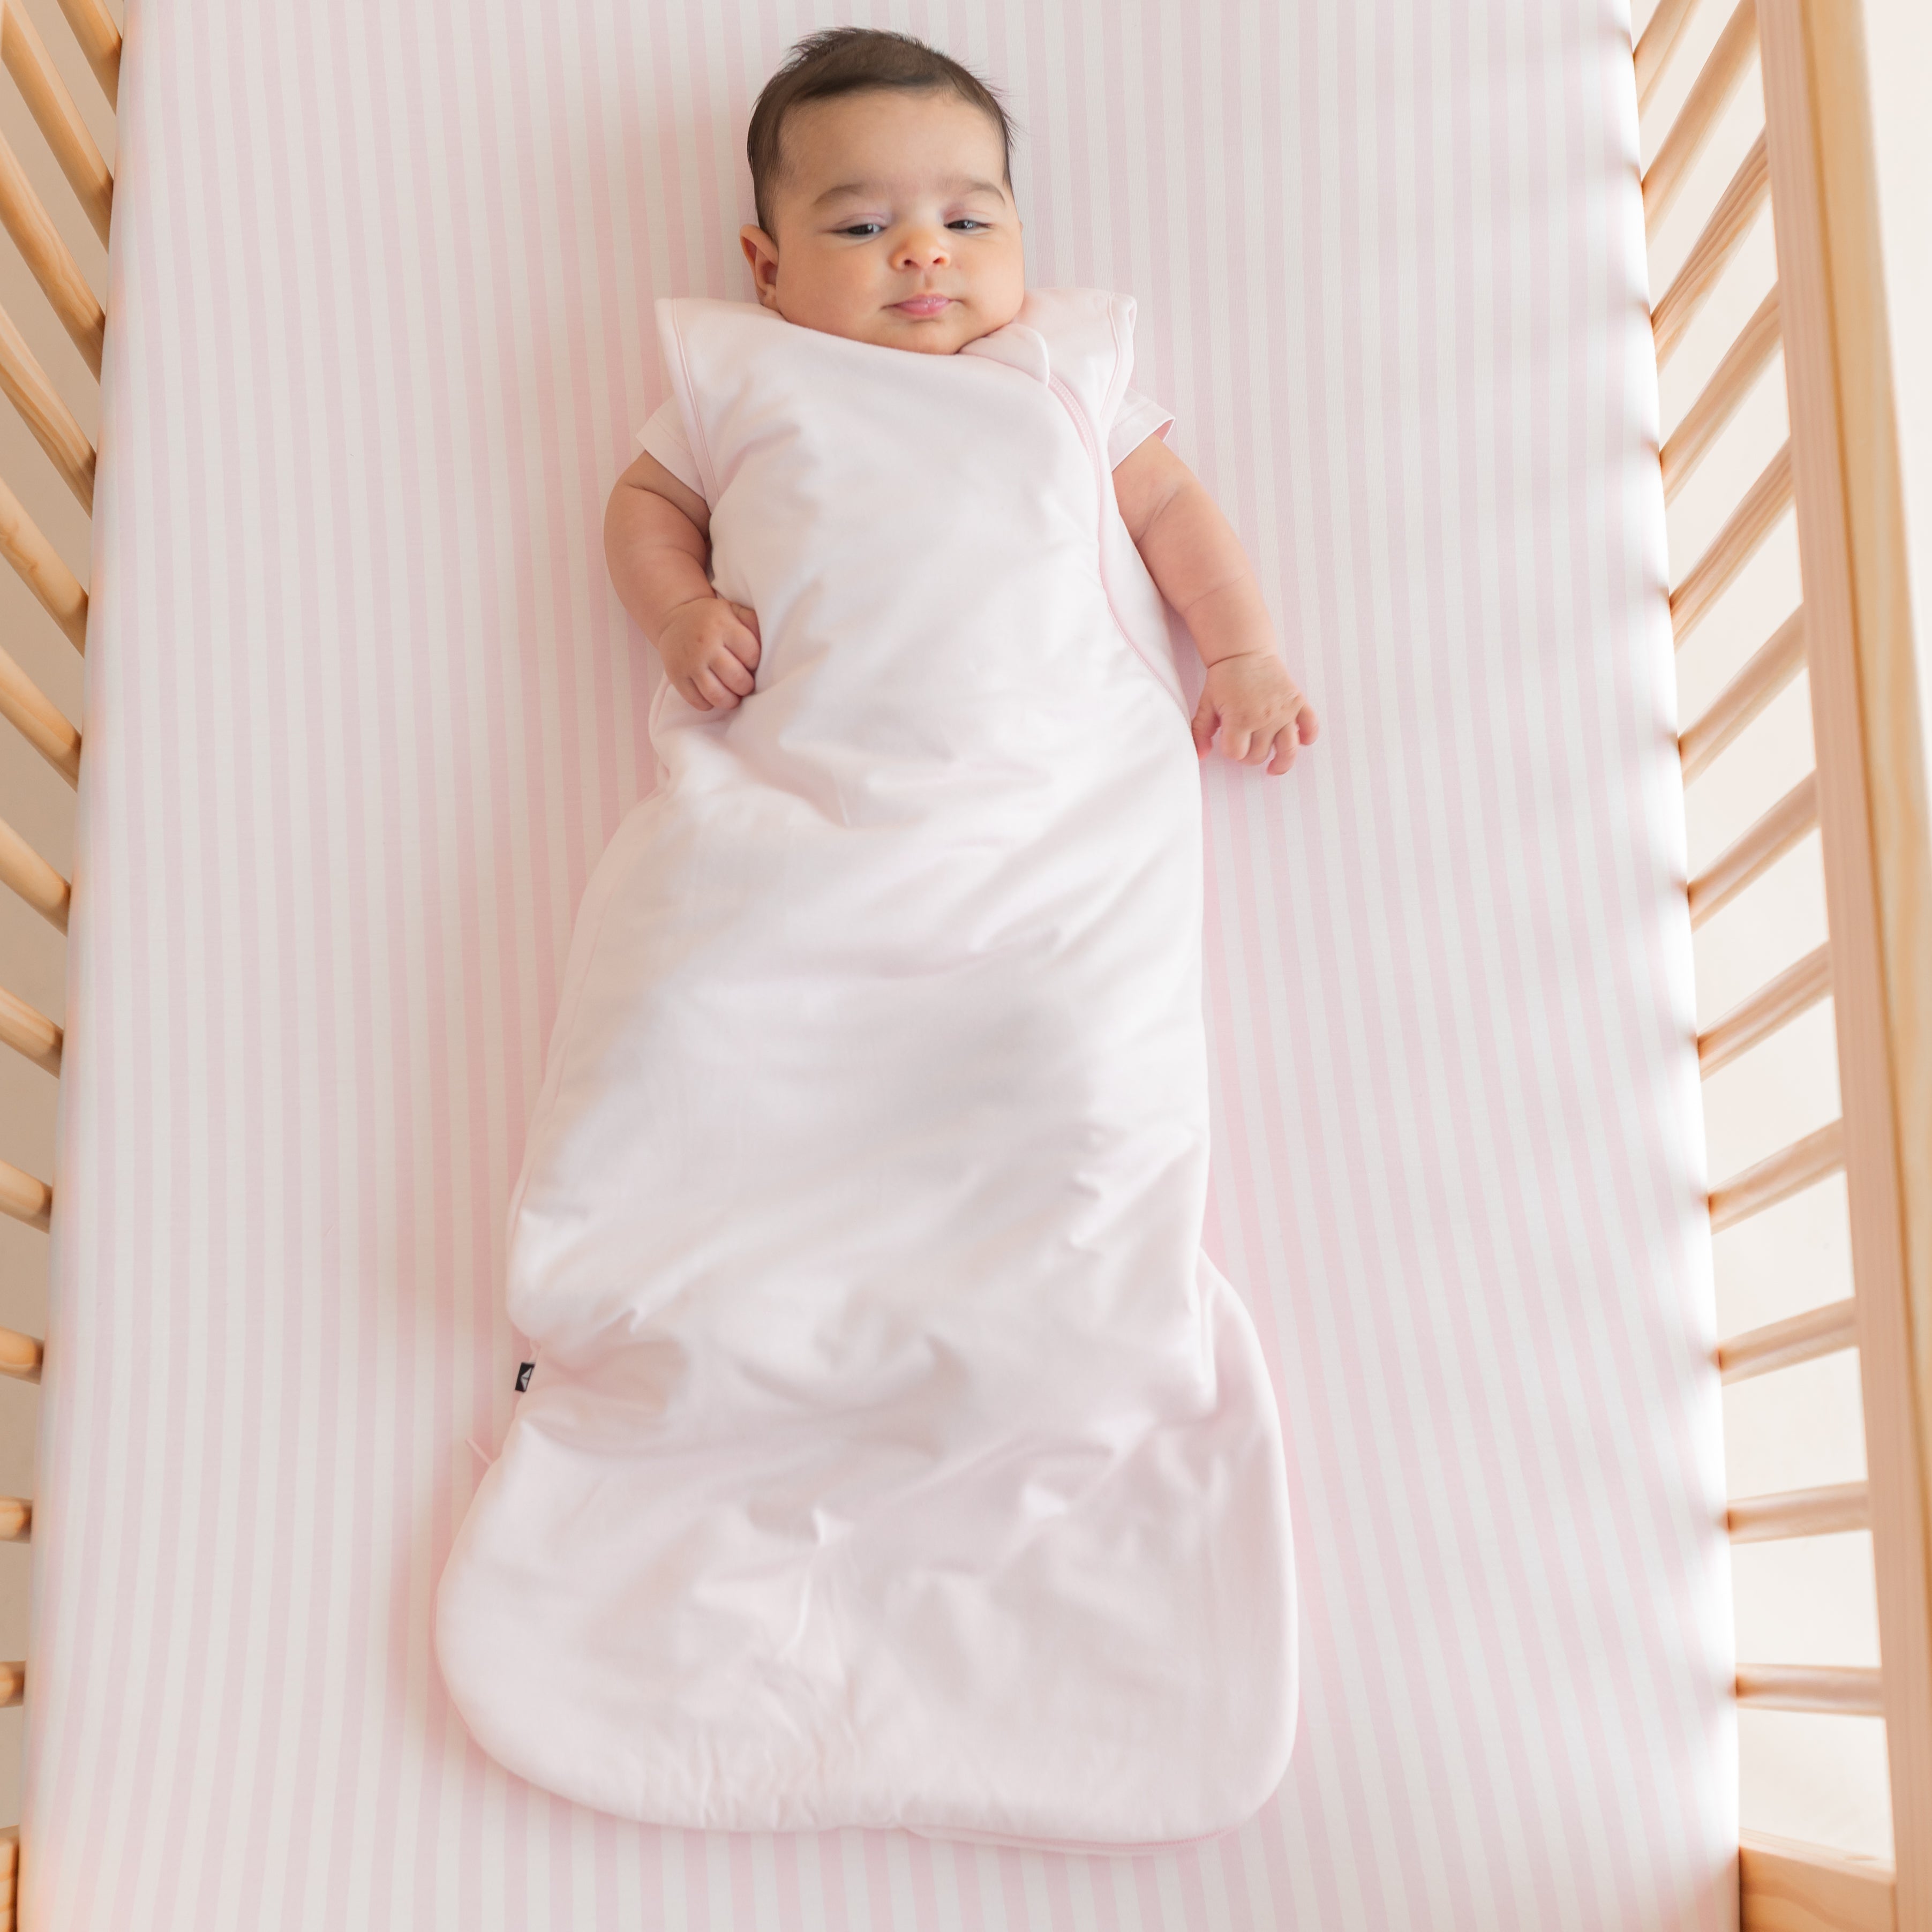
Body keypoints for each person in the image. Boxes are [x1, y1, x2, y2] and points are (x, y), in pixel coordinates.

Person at [606, 26, 1320, 777]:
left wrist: (1242, 653)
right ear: (769, 269)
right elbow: (647, 499)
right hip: (801, 759)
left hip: (1045, 751)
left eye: (967, 222)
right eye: (864, 227)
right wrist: (679, 612)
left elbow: (1170, 505)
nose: (925, 251)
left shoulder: (1055, 368)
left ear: (1016, 236)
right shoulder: (753, 375)